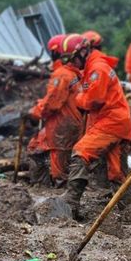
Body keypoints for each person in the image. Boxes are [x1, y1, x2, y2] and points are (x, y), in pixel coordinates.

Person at [58, 34, 131, 218]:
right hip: (118, 121)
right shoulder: (95, 66)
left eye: (73, 59)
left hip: (111, 121)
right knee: (116, 172)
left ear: (83, 52)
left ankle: (70, 203)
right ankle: (130, 209)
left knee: (81, 151)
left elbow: (94, 99)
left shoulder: (97, 69)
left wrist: (78, 99)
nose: (74, 64)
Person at [27, 34, 83, 184]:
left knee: (45, 152)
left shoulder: (62, 74)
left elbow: (51, 103)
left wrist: (34, 113)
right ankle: (47, 184)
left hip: (62, 123)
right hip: (72, 121)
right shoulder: (74, 74)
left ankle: (49, 186)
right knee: (46, 151)